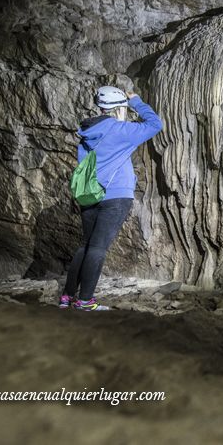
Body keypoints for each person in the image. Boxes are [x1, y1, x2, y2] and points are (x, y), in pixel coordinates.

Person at [60, 85, 163, 311]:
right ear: (119, 108)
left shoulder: (87, 130)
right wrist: (136, 100)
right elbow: (156, 124)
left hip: (89, 195)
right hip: (115, 196)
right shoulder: (121, 129)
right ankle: (85, 301)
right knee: (97, 248)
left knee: (85, 246)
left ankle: (67, 297)